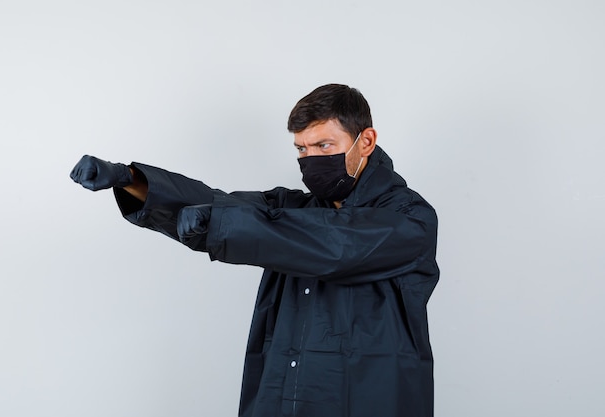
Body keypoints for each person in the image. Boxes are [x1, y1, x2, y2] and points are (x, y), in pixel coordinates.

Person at [70, 83, 439, 417]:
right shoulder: (295, 210)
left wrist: (222, 223)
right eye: (301, 149)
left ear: (366, 141)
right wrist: (132, 181)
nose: (310, 160)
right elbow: (224, 204)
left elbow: (335, 245)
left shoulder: (411, 219)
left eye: (324, 146)